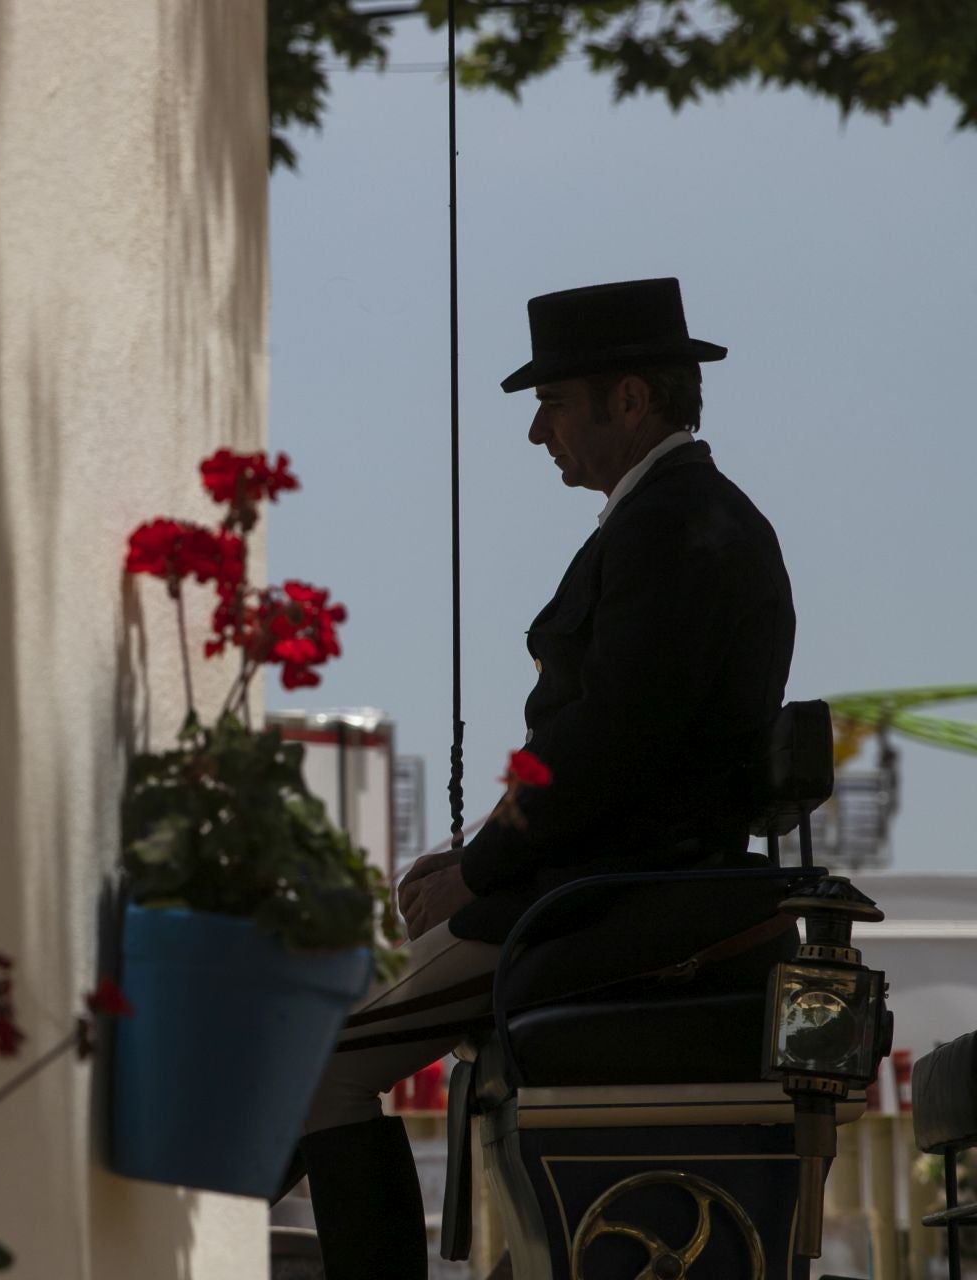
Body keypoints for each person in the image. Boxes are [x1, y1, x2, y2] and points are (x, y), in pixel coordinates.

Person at [292, 277, 797, 1277]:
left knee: (314, 1062)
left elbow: (610, 742)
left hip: (606, 902)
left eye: (556, 401)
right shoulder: (674, 517)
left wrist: (478, 874)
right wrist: (476, 855)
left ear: (632, 399)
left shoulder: (676, 526)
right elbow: (593, 740)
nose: (537, 431)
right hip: (591, 883)